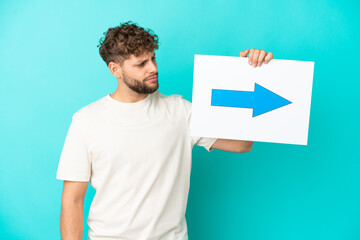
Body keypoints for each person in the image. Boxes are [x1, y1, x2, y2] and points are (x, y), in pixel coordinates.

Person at [56, 21, 274, 240]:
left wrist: (251, 74)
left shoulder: (180, 111)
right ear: (115, 69)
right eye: (141, 64)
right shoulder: (86, 120)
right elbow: (72, 201)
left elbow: (242, 144)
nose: (153, 68)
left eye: (153, 58)